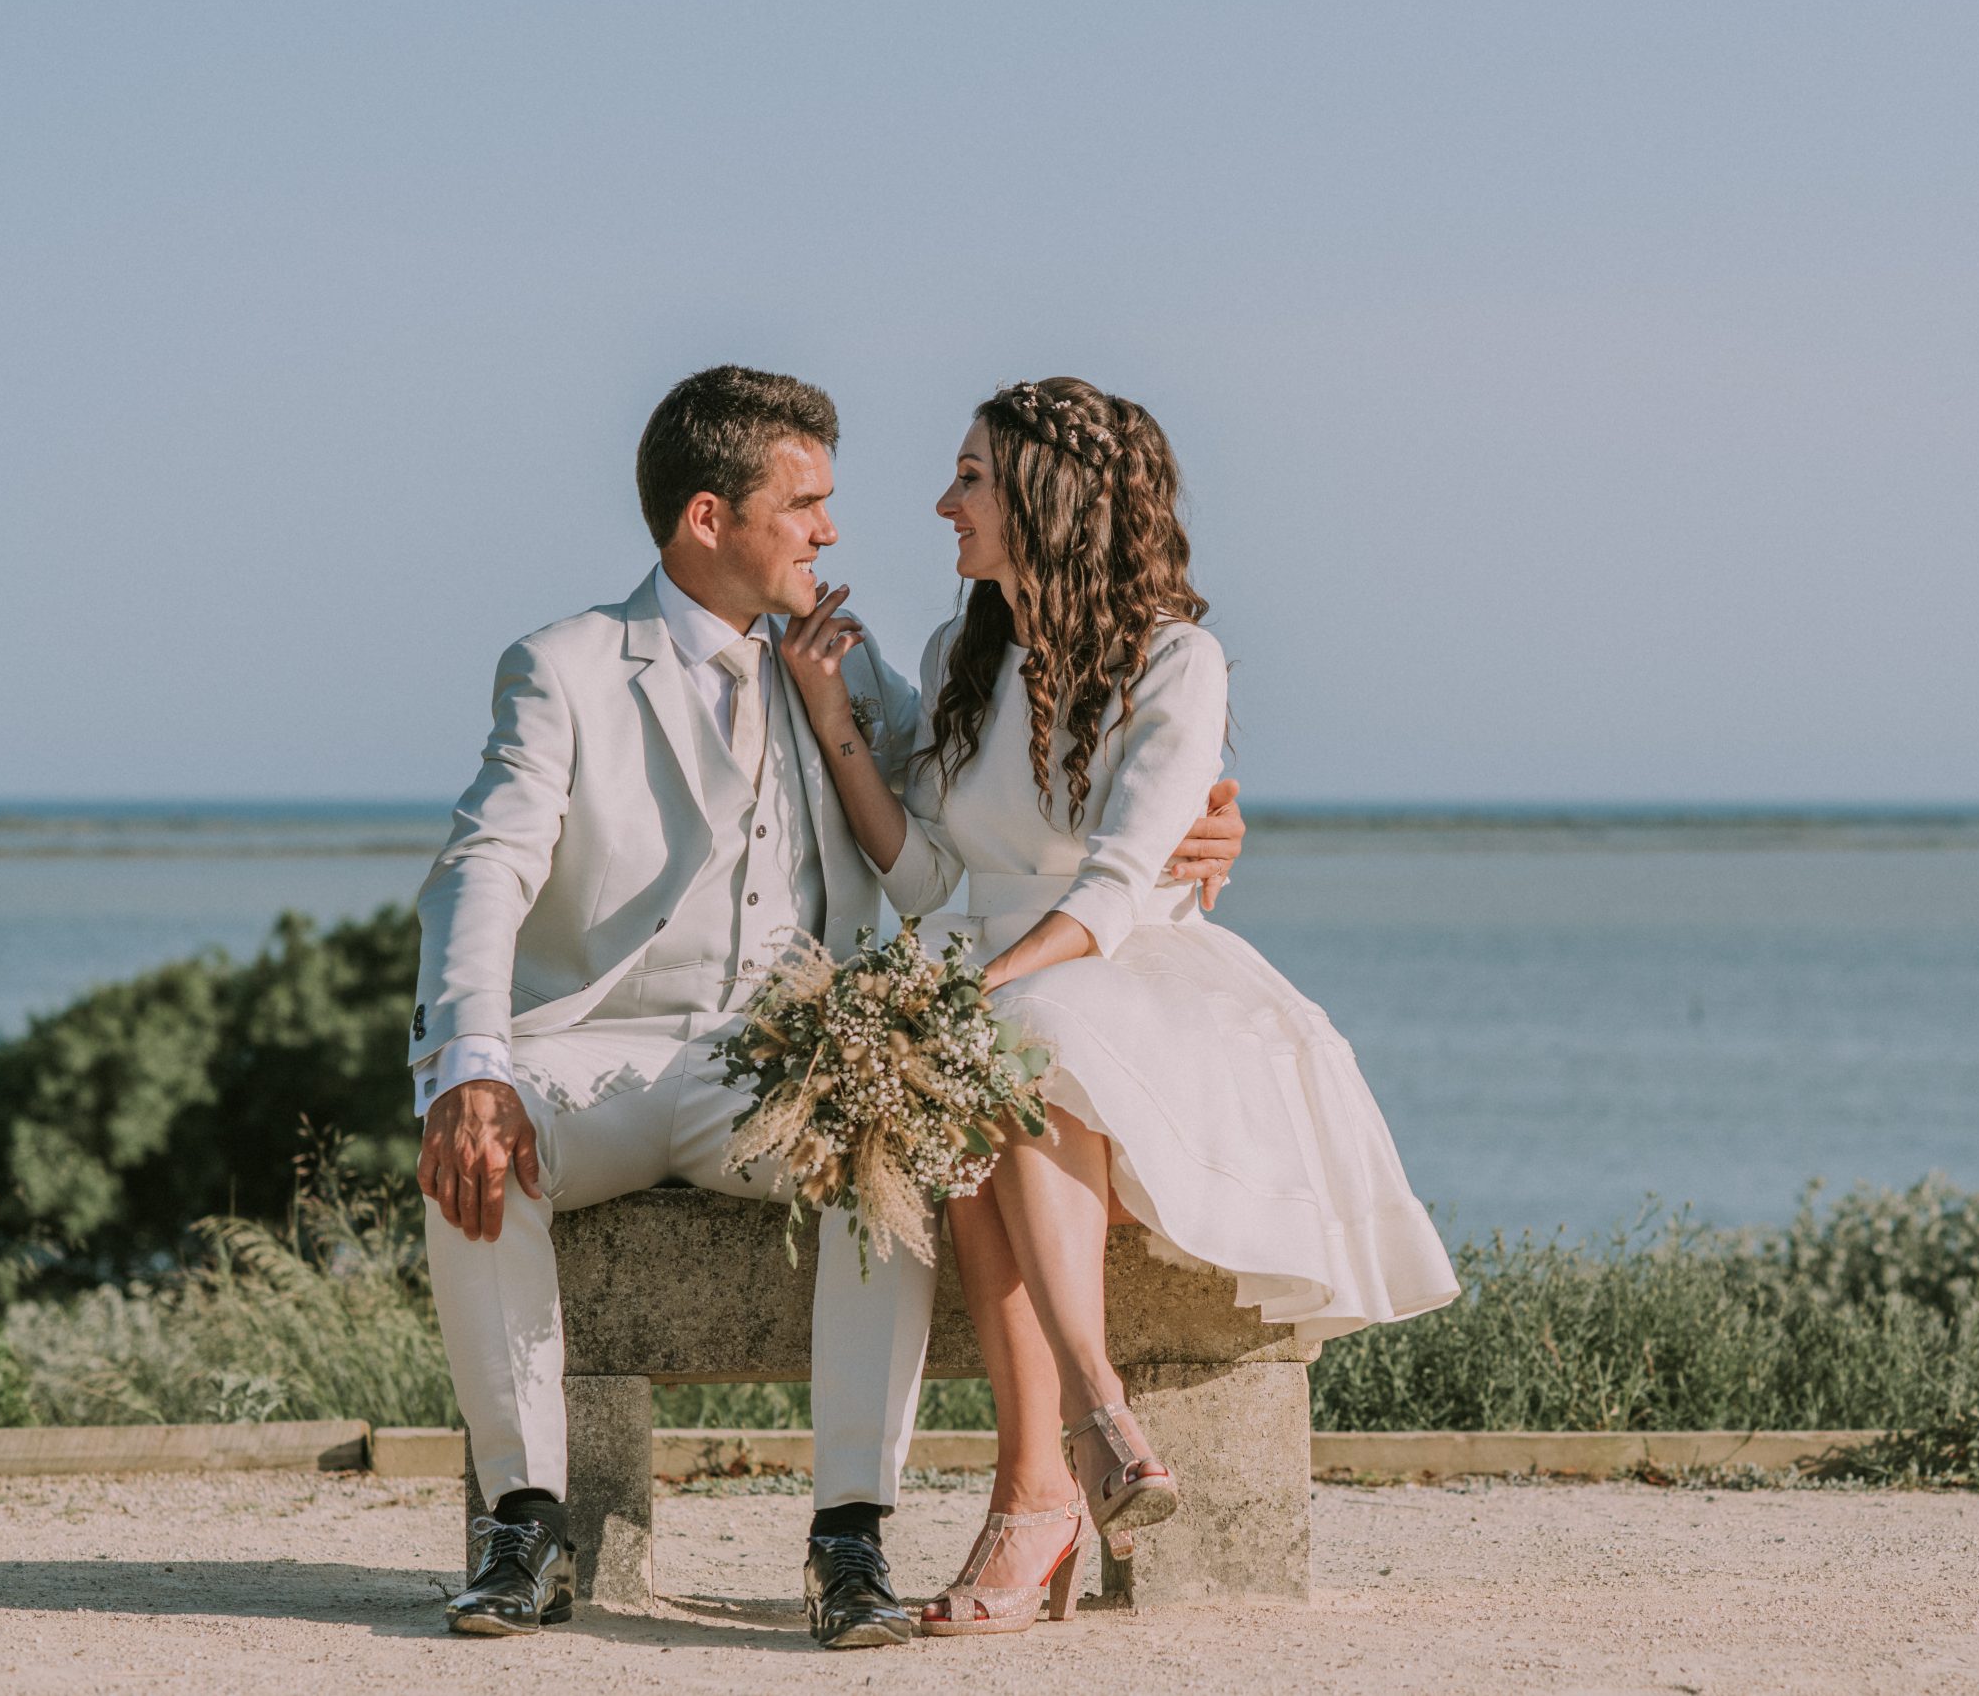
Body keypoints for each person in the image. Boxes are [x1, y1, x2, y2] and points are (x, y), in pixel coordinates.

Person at [410, 366, 1247, 1646]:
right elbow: (487, 866)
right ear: (709, 519)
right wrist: (468, 1061)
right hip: (605, 1053)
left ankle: (849, 1535)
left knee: (889, 1137)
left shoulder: (846, 668)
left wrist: (1213, 820)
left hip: (780, 1063)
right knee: (476, 1148)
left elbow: (990, 805)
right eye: (803, 504)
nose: (832, 530)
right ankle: (523, 1522)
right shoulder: (566, 667)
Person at [777, 376, 1457, 1635]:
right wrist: (834, 724)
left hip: (1135, 976)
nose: (943, 504)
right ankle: (1063, 1471)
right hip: (1002, 979)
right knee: (995, 1069)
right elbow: (925, 872)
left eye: (971, 478)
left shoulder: (1174, 660)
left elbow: (1111, 893)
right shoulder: (956, 653)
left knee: (1017, 1040)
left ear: (1049, 495)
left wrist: (957, 1000)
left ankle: (1068, 1444)